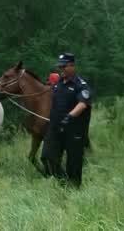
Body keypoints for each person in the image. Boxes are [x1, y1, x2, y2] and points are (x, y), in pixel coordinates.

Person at [41, 52, 93, 186]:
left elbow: (83, 103)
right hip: (55, 127)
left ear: (72, 66)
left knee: (74, 161)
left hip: (74, 129)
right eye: (60, 67)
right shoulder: (58, 84)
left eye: (64, 67)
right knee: (47, 156)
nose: (61, 69)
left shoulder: (80, 84)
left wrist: (70, 116)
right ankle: (63, 181)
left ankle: (74, 188)